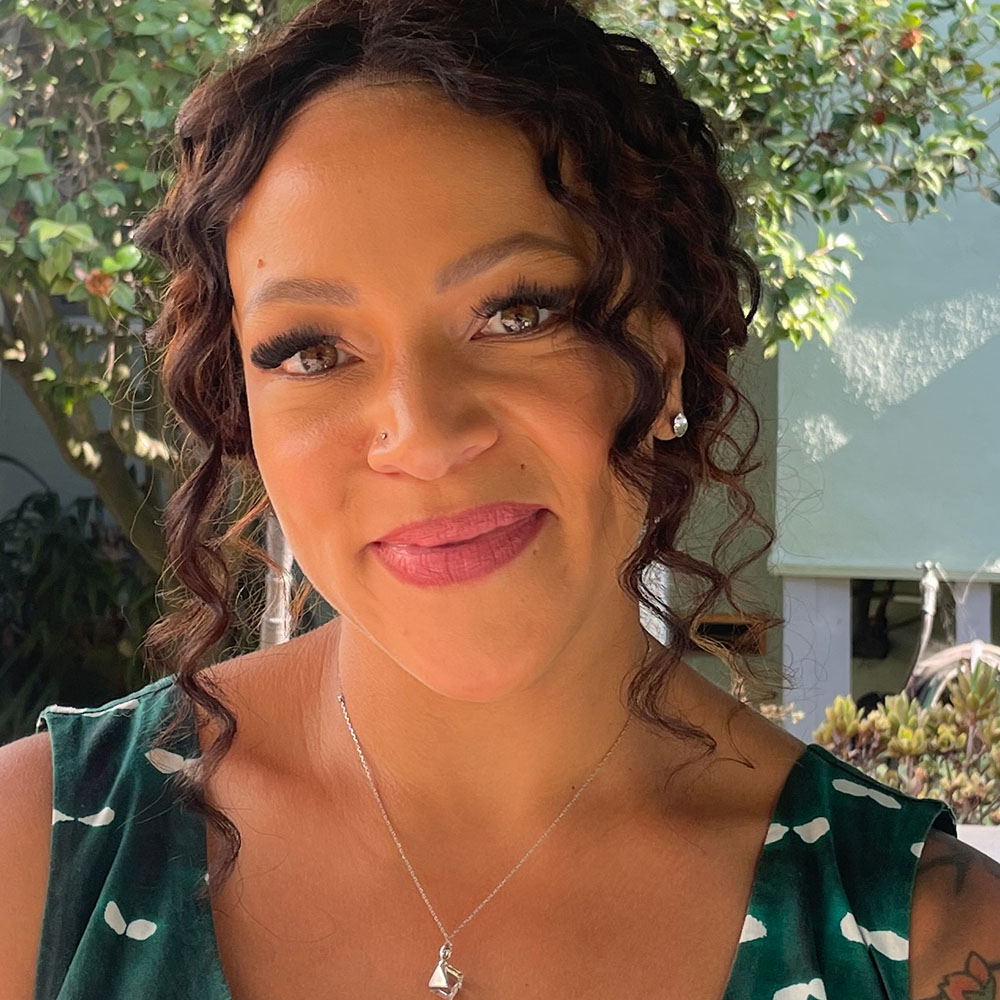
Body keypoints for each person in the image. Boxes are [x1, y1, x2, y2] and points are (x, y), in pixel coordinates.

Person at [2, 1, 998, 998]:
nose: (424, 436)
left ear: (660, 357)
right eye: (313, 349)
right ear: (245, 406)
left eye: (516, 312)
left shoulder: (923, 938)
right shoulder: (34, 865)